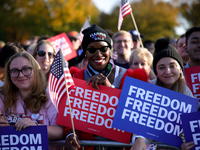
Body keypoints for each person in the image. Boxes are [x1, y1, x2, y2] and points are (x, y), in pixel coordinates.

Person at [65, 24, 147, 150]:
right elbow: (70, 114)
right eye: (92, 50)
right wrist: (70, 133)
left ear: (110, 50)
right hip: (89, 146)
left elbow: (137, 114)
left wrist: (111, 90)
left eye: (103, 49)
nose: (98, 54)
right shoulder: (76, 77)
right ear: (85, 52)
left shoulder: (128, 75)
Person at [0, 52, 64, 144]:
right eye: (14, 71)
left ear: (36, 70)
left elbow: (60, 131)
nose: (21, 75)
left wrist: (36, 127)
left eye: (26, 69)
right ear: (9, 75)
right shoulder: (2, 96)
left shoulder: (51, 95)